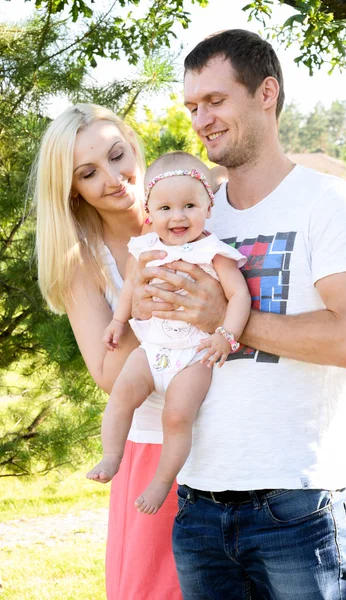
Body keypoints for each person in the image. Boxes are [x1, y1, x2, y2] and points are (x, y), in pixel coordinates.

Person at [131, 30, 346, 599]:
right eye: (193, 106)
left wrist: (226, 318)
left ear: (266, 92)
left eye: (216, 101)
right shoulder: (189, 211)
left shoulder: (327, 201)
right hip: (196, 505)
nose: (201, 120)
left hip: (294, 508)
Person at [34, 104, 226, 599]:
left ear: (135, 147)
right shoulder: (83, 260)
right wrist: (141, 310)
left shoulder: (198, 207)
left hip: (232, 433)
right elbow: (106, 372)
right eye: (88, 174)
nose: (114, 178)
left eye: (118, 156)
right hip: (151, 446)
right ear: (72, 190)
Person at [87, 151, 250, 515]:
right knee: (122, 394)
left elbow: (239, 295)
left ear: (208, 206)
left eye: (189, 205)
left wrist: (227, 335)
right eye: (165, 208)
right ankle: (112, 456)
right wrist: (118, 321)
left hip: (193, 355)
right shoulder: (144, 248)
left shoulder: (214, 253)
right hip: (151, 350)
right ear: (150, 211)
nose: (177, 216)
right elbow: (130, 286)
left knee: (177, 416)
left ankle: (163, 480)